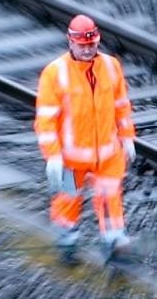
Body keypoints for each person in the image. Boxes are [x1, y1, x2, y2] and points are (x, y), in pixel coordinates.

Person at [34, 14, 137, 261]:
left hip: (108, 154)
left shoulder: (111, 66)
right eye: (83, 45)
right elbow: (46, 120)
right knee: (68, 200)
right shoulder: (55, 73)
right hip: (71, 158)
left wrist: (128, 137)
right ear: (71, 42)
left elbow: (121, 106)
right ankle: (67, 242)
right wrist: (53, 156)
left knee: (110, 197)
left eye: (92, 44)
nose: (88, 50)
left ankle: (114, 245)